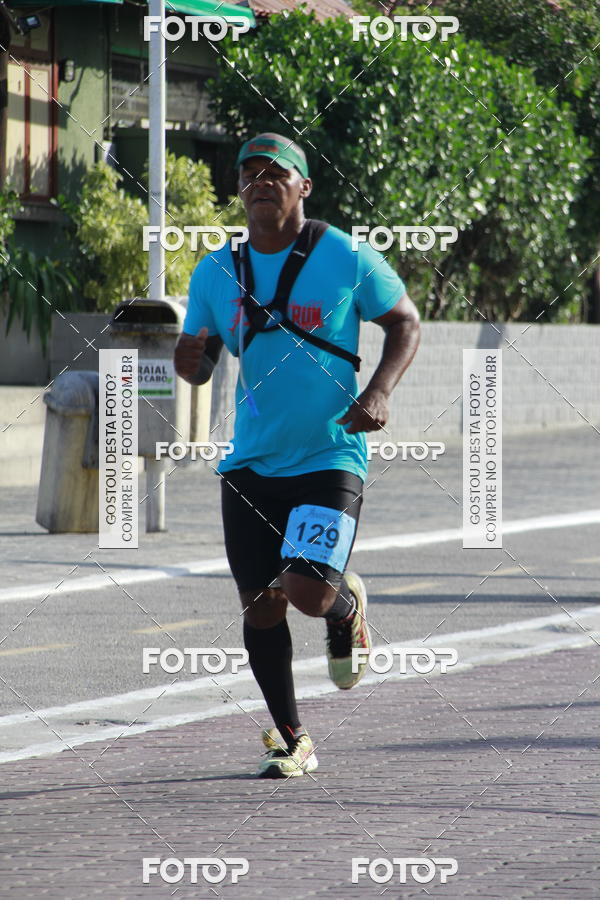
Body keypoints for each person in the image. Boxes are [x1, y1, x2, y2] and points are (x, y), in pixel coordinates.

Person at [174, 133, 420, 778]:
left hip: (330, 453)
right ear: (240, 189)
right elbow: (202, 360)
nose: (261, 182)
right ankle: (292, 738)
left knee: (309, 593)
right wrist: (190, 362)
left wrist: (380, 392)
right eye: (250, 174)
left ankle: (345, 608)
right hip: (251, 462)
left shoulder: (343, 255)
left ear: (303, 187)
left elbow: (404, 321)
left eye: (276, 173)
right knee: (261, 604)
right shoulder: (214, 270)